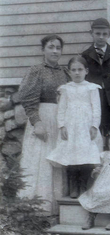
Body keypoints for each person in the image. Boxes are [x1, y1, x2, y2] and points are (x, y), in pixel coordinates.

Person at [18, 34, 71, 215]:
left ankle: (55, 209)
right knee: (40, 162)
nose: (55, 51)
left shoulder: (65, 73)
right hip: (42, 119)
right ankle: (35, 208)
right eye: (51, 47)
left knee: (56, 160)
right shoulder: (36, 71)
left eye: (58, 47)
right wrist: (36, 122)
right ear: (43, 50)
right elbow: (28, 98)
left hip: (60, 122)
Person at [46, 56, 102, 199]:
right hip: (71, 127)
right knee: (71, 156)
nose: (77, 73)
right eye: (74, 70)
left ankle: (83, 185)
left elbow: (96, 109)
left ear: (86, 71)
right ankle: (73, 186)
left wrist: (94, 126)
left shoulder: (91, 88)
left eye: (80, 69)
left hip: (86, 127)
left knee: (85, 155)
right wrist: (62, 126)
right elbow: (62, 109)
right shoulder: (66, 89)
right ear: (69, 72)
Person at [82, 18, 110, 136]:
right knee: (95, 127)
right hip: (94, 97)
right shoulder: (86, 55)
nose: (101, 37)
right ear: (91, 33)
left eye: (104, 34)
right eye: (97, 33)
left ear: (109, 34)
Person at [79, 129, 110, 231]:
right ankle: (91, 217)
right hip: (104, 180)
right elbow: (99, 167)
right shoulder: (105, 155)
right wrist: (96, 171)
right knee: (97, 192)